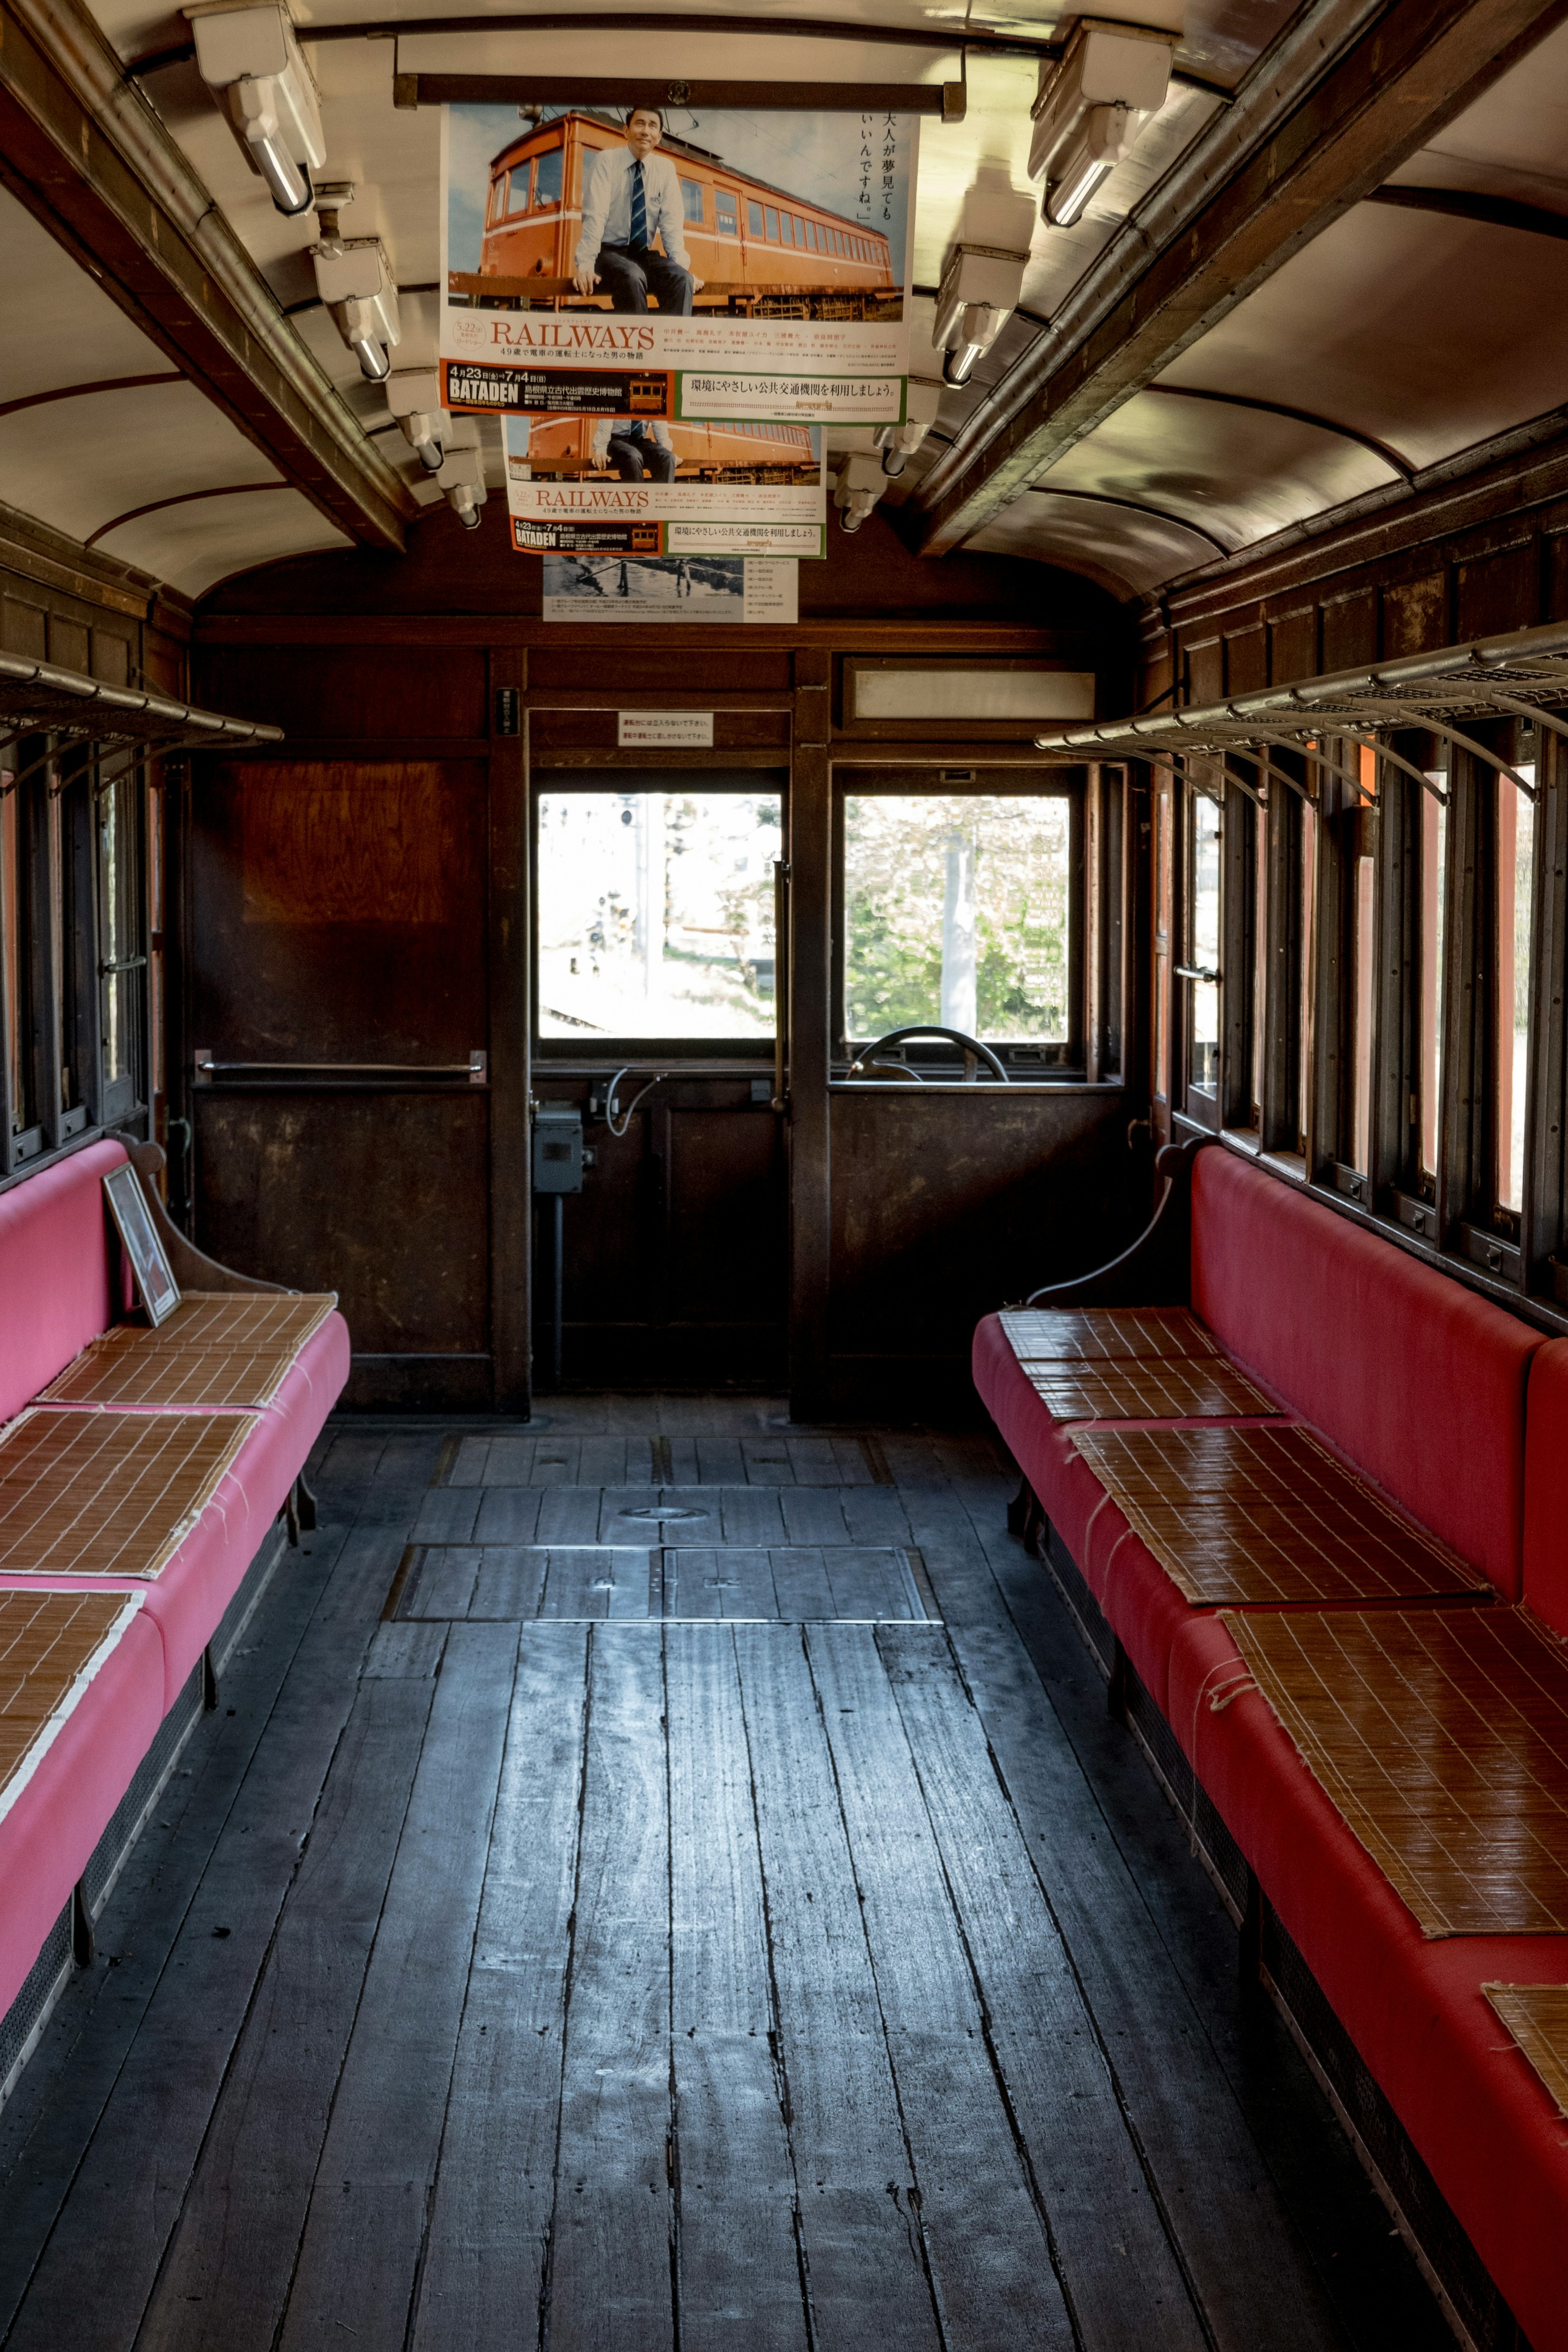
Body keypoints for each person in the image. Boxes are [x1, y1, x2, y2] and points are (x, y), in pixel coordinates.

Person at [572, 104, 704, 315]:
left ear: (659, 136)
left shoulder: (665, 169)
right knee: (633, 275)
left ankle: (671, 345)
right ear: (626, 130)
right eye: (640, 123)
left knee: (682, 280)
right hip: (609, 254)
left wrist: (682, 268)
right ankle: (638, 346)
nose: (646, 131)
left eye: (653, 126)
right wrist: (586, 265)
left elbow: (672, 226)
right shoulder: (607, 161)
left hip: (644, 255)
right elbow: (595, 215)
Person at [592, 415, 677, 483]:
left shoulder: (652, 399)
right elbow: (605, 422)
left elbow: (660, 427)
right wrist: (601, 451)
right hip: (617, 441)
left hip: (639, 441)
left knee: (668, 457)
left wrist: (668, 451)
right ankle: (637, 500)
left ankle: (662, 501)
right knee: (634, 456)